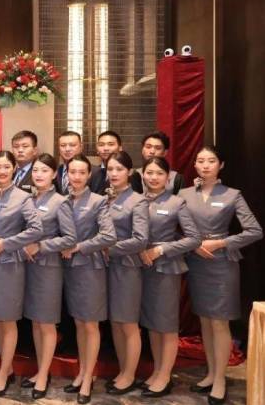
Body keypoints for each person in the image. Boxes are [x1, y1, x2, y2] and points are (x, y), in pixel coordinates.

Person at [180, 146, 262, 404]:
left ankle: (220, 378)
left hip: (222, 263)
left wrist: (221, 243)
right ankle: (210, 372)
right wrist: (193, 245)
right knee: (204, 320)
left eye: (211, 161)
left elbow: (254, 231)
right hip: (196, 261)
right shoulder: (184, 194)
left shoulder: (232, 195)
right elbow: (177, 228)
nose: (205, 165)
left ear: (221, 165)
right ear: (194, 165)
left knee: (219, 322)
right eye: (201, 161)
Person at [0, 151, 43, 398]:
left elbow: (36, 229)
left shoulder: (24, 197)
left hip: (10, 265)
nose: (2, 171)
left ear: (15, 168)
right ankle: (6, 369)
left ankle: (4, 374)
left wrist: (6, 243)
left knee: (8, 319)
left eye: (7, 166)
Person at [138, 156, 201, 398]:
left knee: (166, 324)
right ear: (143, 175)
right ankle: (157, 370)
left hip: (166, 268)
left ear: (168, 177)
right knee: (151, 323)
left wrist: (162, 249)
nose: (153, 177)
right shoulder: (138, 201)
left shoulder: (176, 203)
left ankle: (165, 376)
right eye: (149, 173)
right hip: (142, 268)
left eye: (159, 173)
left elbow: (193, 238)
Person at [60, 154, 116, 404]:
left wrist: (79, 247)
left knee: (91, 324)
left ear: (89, 175)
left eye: (82, 172)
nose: (77, 177)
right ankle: (82, 371)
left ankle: (88, 378)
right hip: (70, 269)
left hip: (91, 268)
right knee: (79, 323)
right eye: (72, 172)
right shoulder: (63, 200)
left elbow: (109, 236)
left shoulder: (98, 201)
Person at [22, 153, 77, 400]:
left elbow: (70, 238)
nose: (39, 174)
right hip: (28, 268)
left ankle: (45, 374)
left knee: (46, 322)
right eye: (35, 170)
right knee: (35, 321)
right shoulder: (29, 198)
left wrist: (41, 246)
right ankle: (39, 370)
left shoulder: (60, 201)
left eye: (44, 170)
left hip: (48, 268)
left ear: (54, 174)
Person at [103, 151, 149, 395]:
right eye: (110, 169)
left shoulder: (138, 200)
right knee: (115, 322)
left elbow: (141, 239)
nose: (114, 173)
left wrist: (108, 249)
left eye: (119, 169)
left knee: (128, 323)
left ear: (129, 172)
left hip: (127, 267)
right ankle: (122, 370)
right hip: (105, 267)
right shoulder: (106, 198)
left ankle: (130, 375)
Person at [55, 131, 83, 195]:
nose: (67, 149)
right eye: (63, 145)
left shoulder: (95, 172)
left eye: (72, 145)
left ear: (81, 147)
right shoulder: (55, 171)